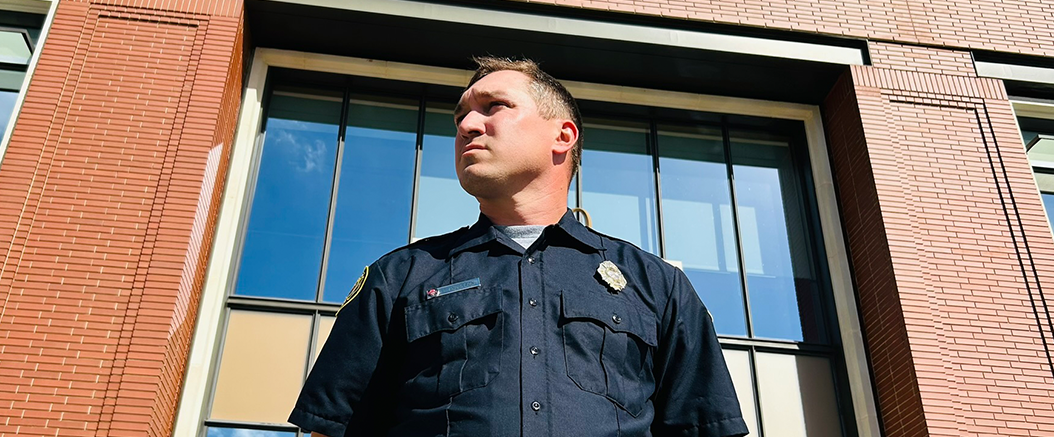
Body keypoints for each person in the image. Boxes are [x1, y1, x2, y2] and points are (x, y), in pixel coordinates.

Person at [290, 56, 749, 437]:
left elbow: (705, 426)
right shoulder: (400, 277)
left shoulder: (656, 284)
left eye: (495, 107)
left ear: (562, 136)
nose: (468, 124)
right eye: (461, 117)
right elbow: (332, 428)